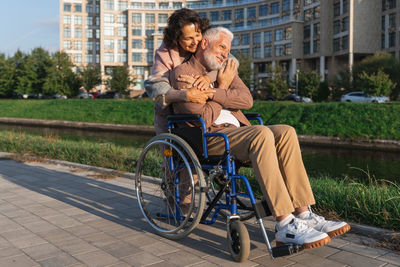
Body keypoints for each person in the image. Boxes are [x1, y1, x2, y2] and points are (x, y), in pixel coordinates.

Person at [170, 27, 350, 249]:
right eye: (222, 47)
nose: (226, 54)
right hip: (210, 136)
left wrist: (214, 92)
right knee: (261, 133)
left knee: (286, 131)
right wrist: (225, 88)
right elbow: (203, 117)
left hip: (238, 132)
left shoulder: (225, 70)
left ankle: (303, 214)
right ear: (204, 44)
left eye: (228, 49)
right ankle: (284, 223)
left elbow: (246, 101)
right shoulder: (182, 73)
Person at [145, 8, 216, 135]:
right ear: (177, 38)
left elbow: (230, 61)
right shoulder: (164, 53)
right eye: (188, 38)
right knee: (172, 150)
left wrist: (208, 78)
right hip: (172, 114)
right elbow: (156, 85)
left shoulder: (205, 42)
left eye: (198, 34)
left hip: (205, 110)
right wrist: (185, 95)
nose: (195, 42)